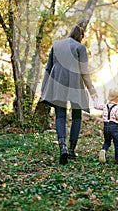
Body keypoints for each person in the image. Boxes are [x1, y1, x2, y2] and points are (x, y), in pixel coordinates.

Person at [40, 24, 98, 165]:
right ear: (80, 36)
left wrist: (44, 89)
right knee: (76, 115)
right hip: (75, 84)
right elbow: (84, 72)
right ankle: (72, 150)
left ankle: (63, 147)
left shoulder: (56, 45)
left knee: (60, 115)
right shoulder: (80, 48)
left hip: (57, 83)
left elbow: (48, 68)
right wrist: (92, 91)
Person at [94, 88, 118, 165]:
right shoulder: (117, 107)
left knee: (107, 142)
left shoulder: (105, 106)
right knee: (117, 142)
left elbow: (96, 106)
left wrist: (95, 99)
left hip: (106, 127)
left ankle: (104, 150)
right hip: (114, 127)